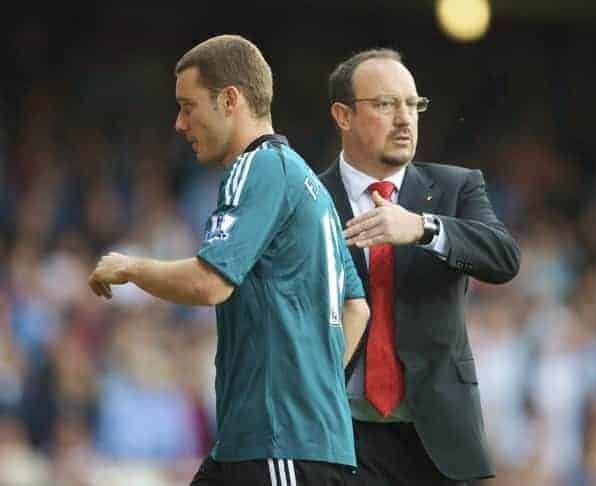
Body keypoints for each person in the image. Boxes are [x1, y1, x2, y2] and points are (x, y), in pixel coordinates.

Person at [88, 34, 370, 486]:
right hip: (270, 441)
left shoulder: (255, 168)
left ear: (230, 99)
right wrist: (317, 386)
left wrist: (132, 266)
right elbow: (357, 307)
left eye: (188, 105)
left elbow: (210, 283)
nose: (180, 124)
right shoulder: (308, 184)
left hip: (279, 443)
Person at [319, 48, 521, 485]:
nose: (405, 118)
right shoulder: (307, 199)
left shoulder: (457, 186)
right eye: (386, 104)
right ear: (343, 115)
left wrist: (424, 228)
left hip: (440, 436)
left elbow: (504, 257)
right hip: (339, 431)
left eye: (413, 104)